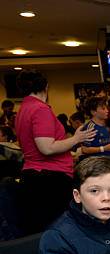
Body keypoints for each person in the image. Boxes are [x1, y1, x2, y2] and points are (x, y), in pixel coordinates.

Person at [15, 69, 97, 234]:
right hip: (50, 180)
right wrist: (76, 138)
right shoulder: (40, 109)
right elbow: (46, 147)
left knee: (42, 231)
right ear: (46, 87)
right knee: (61, 232)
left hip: (34, 176)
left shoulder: (23, 109)